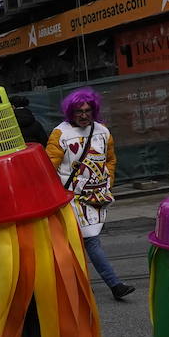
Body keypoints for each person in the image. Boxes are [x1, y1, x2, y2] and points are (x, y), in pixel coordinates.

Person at [46, 89, 134, 301]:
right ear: (70, 112)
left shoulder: (103, 131)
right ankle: (114, 284)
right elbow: (48, 167)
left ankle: (79, 285)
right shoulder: (61, 134)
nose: (84, 115)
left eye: (88, 110)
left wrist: (108, 183)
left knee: (78, 242)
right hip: (70, 199)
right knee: (91, 241)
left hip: (96, 199)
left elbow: (110, 160)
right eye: (79, 111)